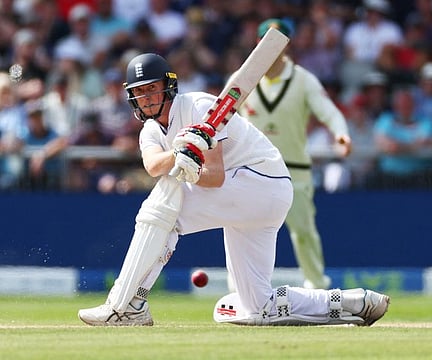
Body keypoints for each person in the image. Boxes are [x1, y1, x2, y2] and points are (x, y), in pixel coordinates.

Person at [77, 52, 389, 326]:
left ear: (168, 87)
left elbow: (214, 178)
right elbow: (153, 166)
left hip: (260, 181)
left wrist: (193, 167)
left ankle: (126, 304)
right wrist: (181, 153)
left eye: (151, 89)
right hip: (252, 201)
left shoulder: (200, 106)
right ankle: (352, 303)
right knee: (256, 307)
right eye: (139, 92)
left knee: (161, 207)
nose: (146, 97)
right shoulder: (149, 131)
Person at [238, 19, 352, 289]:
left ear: (286, 45)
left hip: (294, 169)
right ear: (257, 43)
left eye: (277, 40)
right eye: (265, 40)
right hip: (251, 169)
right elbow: (225, 115)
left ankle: (317, 284)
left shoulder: (302, 79)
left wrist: (341, 133)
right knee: (242, 230)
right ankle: (240, 288)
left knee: (303, 232)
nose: (270, 47)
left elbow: (327, 110)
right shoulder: (244, 78)